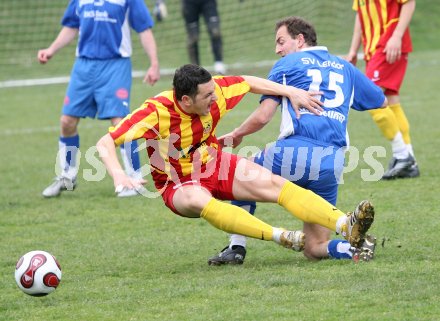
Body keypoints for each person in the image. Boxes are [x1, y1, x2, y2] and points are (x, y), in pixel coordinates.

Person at [96, 63, 377, 264]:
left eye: (213, 92)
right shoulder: (155, 112)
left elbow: (248, 81)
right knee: (196, 198)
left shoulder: (214, 91)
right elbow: (105, 143)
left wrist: (289, 91)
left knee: (276, 184)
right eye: (207, 96)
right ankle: (282, 236)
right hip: (177, 183)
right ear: (185, 99)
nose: (214, 97)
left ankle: (345, 223)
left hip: (215, 164)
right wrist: (120, 176)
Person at [207, 16, 386, 266]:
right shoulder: (345, 68)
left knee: (241, 171)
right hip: (331, 163)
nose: (278, 49)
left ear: (300, 40)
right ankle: (354, 247)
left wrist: (237, 134)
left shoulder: (288, 64)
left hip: (294, 151)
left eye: (281, 42)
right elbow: (381, 100)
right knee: (315, 248)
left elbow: (263, 116)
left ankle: (236, 247)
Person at [38, 0, 160, 198]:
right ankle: (67, 176)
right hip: (83, 66)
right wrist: (51, 50)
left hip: (115, 65)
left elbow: (144, 29)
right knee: (67, 121)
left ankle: (134, 179)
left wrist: (154, 64)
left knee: (120, 123)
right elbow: (71, 26)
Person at [346, 0, 419, 180]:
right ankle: (409, 162)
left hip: (388, 42)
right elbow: (360, 15)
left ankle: (402, 155)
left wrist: (397, 36)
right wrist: (354, 50)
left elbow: (409, 2)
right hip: (372, 48)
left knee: (371, 98)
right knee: (391, 100)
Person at [181, 0, 226, 74]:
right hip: (189, 3)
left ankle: (219, 63)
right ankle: (195, 69)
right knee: (193, 37)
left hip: (208, 2)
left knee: (215, 31)